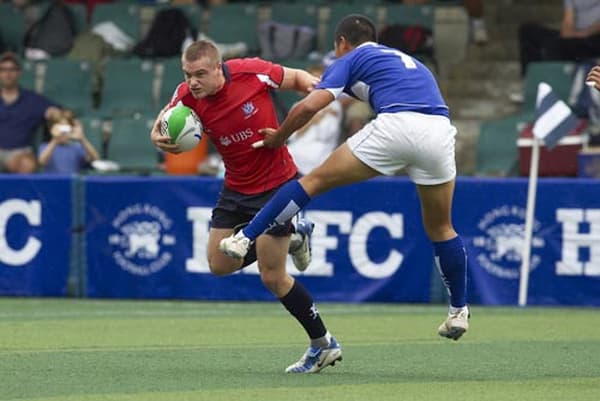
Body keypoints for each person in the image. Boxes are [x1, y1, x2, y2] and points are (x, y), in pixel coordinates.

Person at [220, 14, 470, 341]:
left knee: (311, 183)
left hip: (397, 125)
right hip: (438, 131)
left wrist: (279, 136)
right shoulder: (412, 62)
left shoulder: (352, 57)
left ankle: (244, 238)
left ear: (341, 43)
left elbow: (309, 107)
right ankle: (459, 311)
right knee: (441, 227)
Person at [149, 40, 342, 373]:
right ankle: (295, 233)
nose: (193, 82)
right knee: (219, 264)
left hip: (276, 186)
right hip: (235, 187)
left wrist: (318, 92)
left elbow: (298, 79)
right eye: (187, 74)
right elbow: (163, 120)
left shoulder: (250, 72)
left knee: (273, 277)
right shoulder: (187, 95)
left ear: (217, 67)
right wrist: (157, 135)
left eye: (199, 74)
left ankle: (323, 344)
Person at [0, 51, 61, 173]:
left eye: (12, 70)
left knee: (27, 164)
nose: (8, 74)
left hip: (19, 153)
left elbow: (57, 112)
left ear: (19, 73)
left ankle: (21, 193)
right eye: (3, 69)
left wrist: (54, 115)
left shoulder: (32, 100)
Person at [518, 0, 600, 77]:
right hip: (577, 38)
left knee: (558, 46)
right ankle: (532, 77)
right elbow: (568, 20)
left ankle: (556, 78)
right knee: (528, 31)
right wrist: (569, 36)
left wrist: (585, 33)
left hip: (595, 37)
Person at [286, 64, 343, 175]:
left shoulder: (334, 106)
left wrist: (309, 119)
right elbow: (292, 136)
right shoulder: (297, 106)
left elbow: (325, 135)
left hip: (319, 151)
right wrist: (313, 119)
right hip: (296, 148)